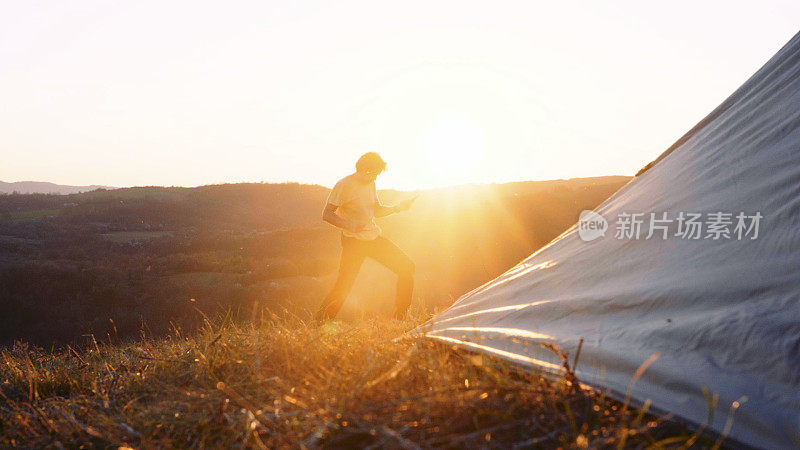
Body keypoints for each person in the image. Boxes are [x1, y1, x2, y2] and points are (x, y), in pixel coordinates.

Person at [315, 152, 417, 322]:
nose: (376, 178)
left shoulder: (371, 183)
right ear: (363, 169)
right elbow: (327, 214)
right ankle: (320, 322)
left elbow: (376, 210)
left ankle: (401, 316)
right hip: (353, 242)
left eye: (378, 174)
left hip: (373, 237)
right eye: (374, 173)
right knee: (344, 285)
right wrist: (350, 225)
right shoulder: (344, 185)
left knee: (407, 267)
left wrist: (399, 207)